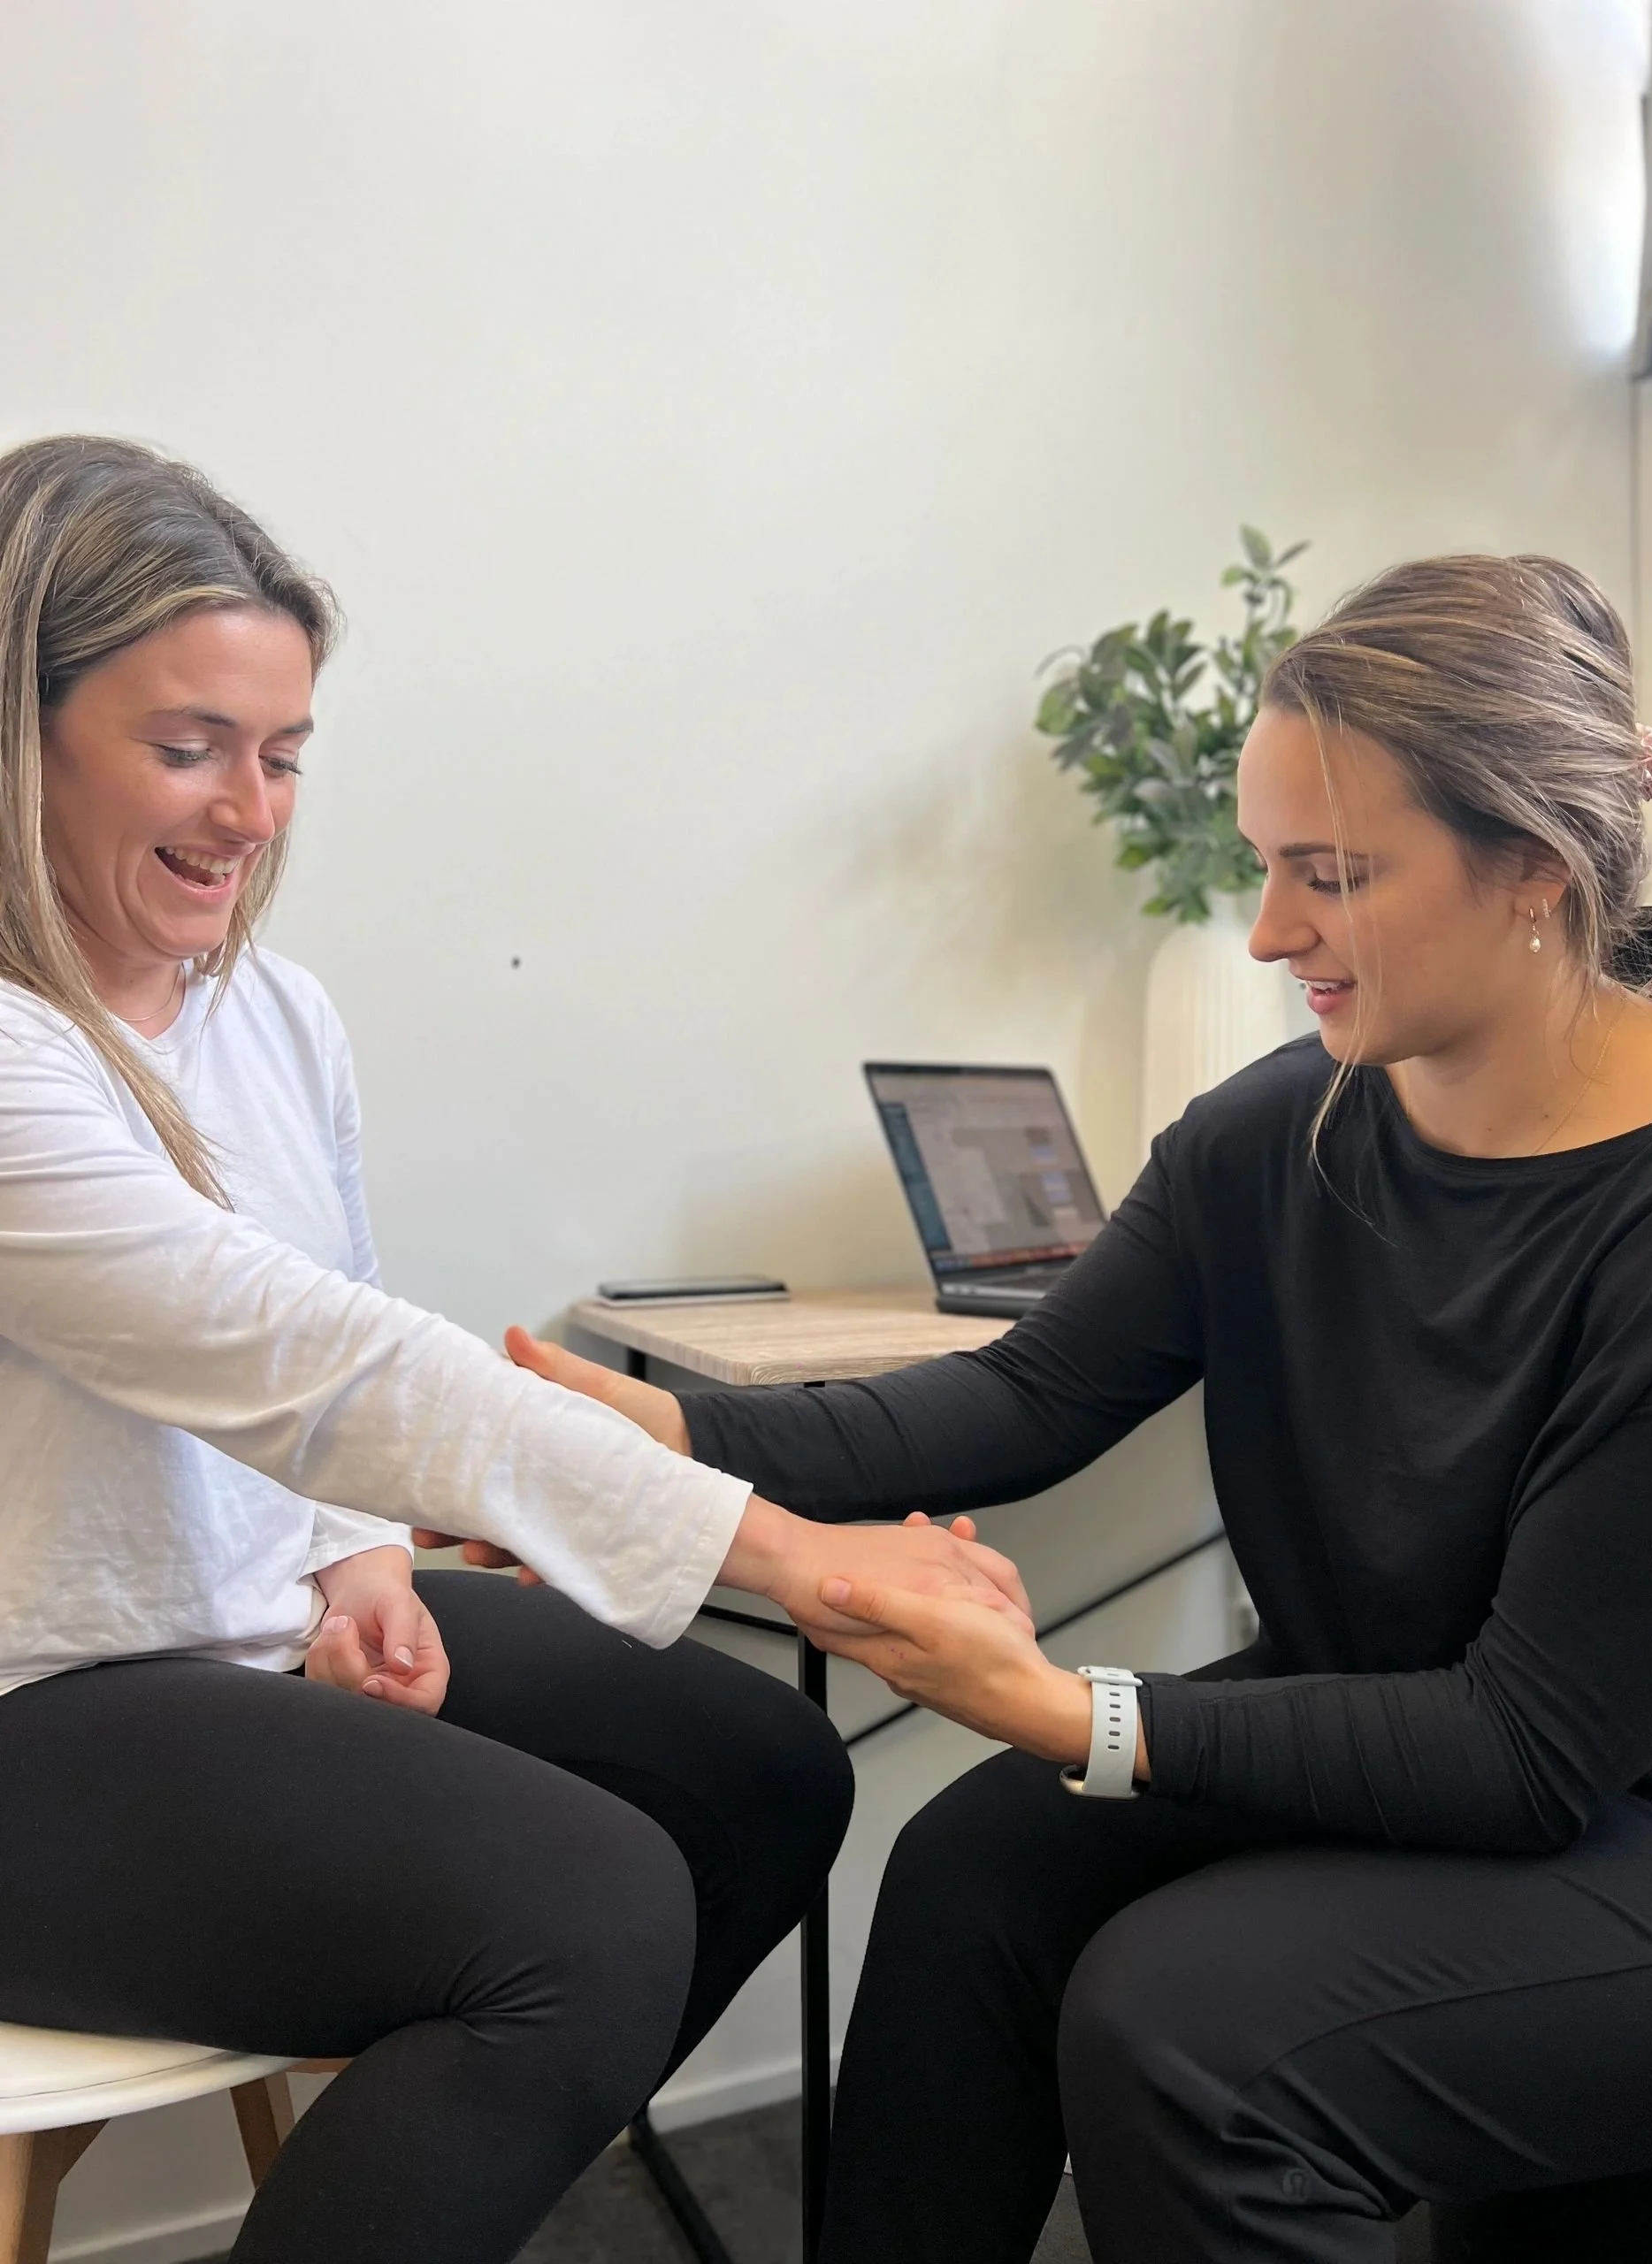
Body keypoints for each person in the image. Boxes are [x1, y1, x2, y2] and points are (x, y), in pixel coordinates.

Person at [495, 555, 1652, 2263]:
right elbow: (1029, 1395)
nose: (1272, 931)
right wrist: (664, 1443)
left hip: (1640, 1816)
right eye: (1267, 864)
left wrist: (1085, 1714)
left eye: (1330, 877)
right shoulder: (1286, 1127)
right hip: (1433, 1729)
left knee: (1192, 2037)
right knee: (976, 1874)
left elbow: (1524, 1752)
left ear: (1535, 869)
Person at [0, 434, 1031, 2264]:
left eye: (286, 751)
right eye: (187, 746)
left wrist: (357, 1554)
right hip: (37, 1697)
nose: (251, 808)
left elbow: (320, 1315)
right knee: (589, 1912)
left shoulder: (274, 1008)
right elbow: (294, 1352)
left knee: (764, 1773)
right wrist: (803, 1562)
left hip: (234, 1637)